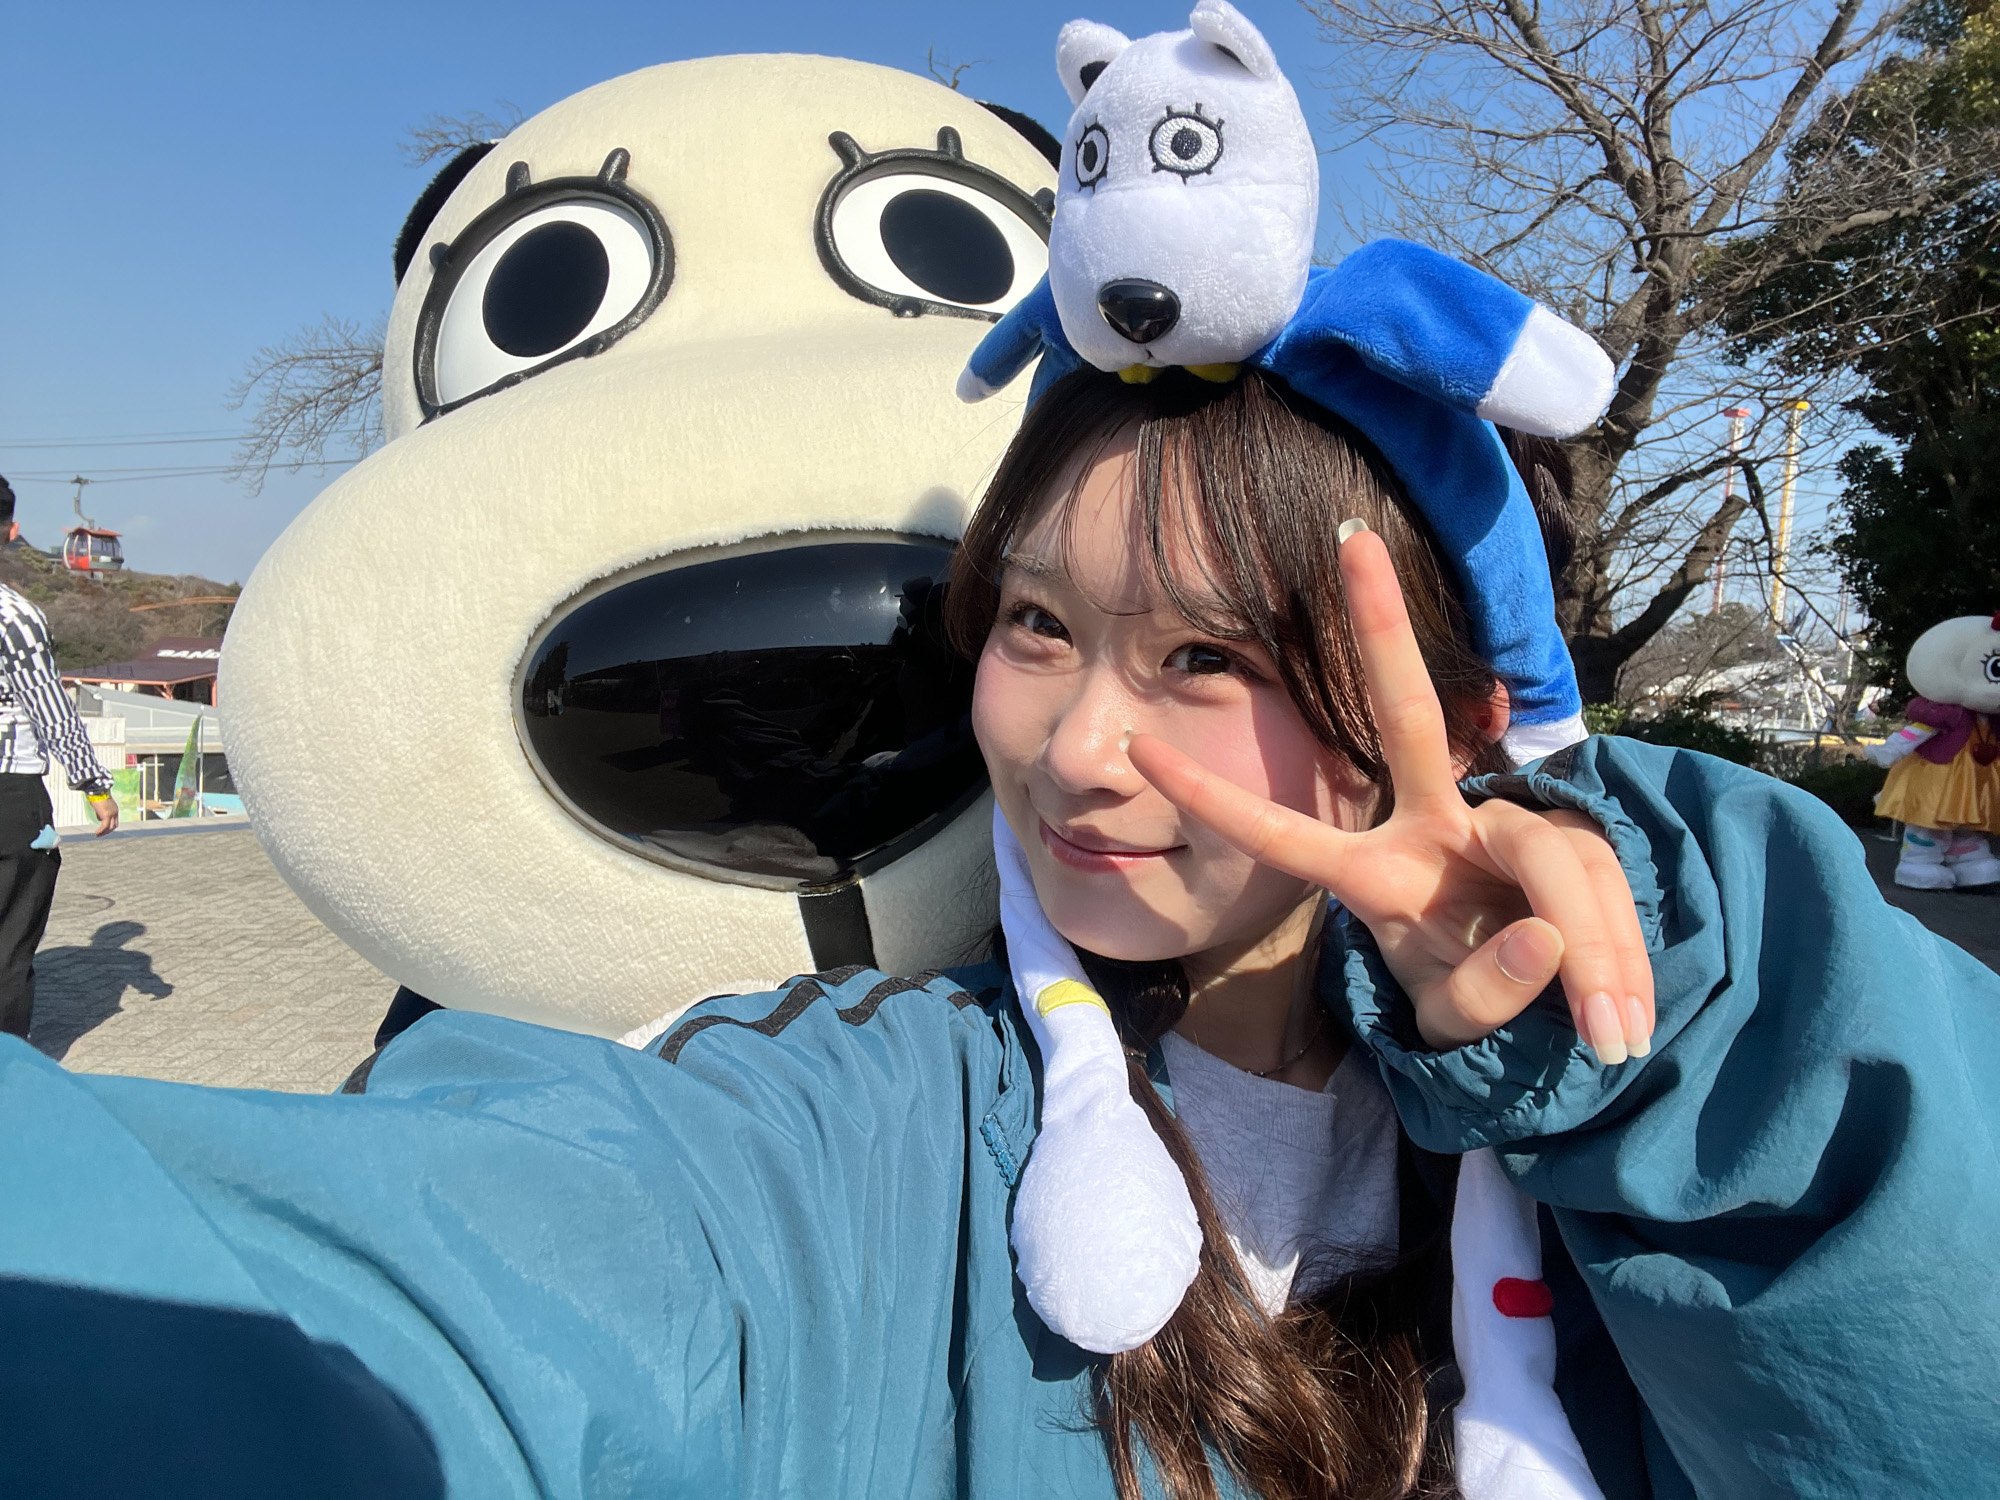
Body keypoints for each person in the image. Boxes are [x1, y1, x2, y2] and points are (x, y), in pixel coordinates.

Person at [2, 363, 1995, 1500]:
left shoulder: (1629, 1165)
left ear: (1457, 723)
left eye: (1206, 656)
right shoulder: (869, 1129)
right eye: (1037, 624)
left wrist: (1647, 1054)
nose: (1074, 747)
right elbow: (421, 1285)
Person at [0, 474, 117, 1040]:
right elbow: (50, 709)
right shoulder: (14, 616)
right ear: (12, 531)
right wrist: (94, 785)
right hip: (9, 794)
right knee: (8, 945)